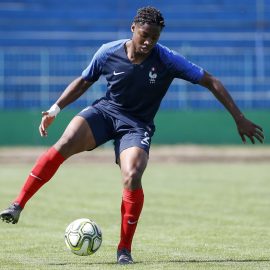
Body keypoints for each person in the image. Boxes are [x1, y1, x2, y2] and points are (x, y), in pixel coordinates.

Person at [0, 6, 264, 264]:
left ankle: (124, 249)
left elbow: (211, 81)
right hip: (105, 113)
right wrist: (55, 109)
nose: (148, 42)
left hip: (136, 125)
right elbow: (83, 81)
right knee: (65, 143)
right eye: (144, 35)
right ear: (133, 28)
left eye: (155, 37)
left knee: (132, 175)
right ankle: (18, 204)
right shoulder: (108, 52)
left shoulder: (167, 59)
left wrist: (239, 118)